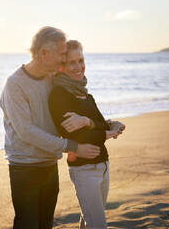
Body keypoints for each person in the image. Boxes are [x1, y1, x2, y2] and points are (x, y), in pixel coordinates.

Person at [0, 27, 102, 229]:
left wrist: (92, 122)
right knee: (27, 224)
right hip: (24, 167)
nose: (64, 59)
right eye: (62, 54)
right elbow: (26, 131)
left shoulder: (52, 78)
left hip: (48, 164)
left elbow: (78, 89)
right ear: (43, 53)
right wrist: (73, 146)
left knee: (46, 223)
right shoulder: (15, 85)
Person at [48, 40, 125, 229]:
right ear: (61, 66)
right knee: (98, 225)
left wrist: (92, 122)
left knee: (88, 221)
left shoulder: (86, 95)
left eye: (80, 60)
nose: (78, 67)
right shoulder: (59, 95)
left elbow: (98, 123)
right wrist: (105, 130)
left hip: (103, 165)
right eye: (72, 62)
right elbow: (81, 137)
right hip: (84, 170)